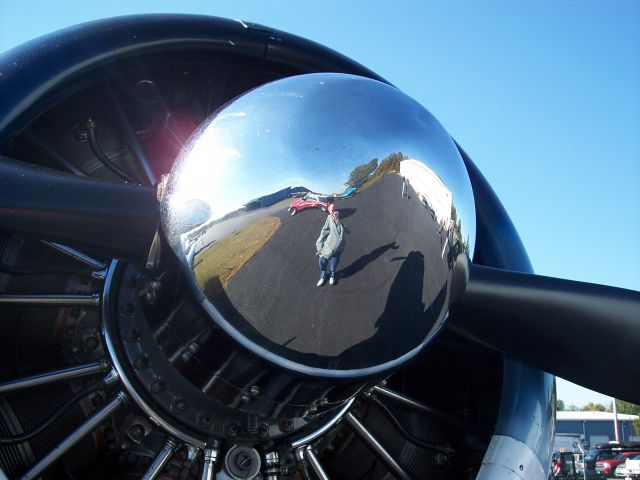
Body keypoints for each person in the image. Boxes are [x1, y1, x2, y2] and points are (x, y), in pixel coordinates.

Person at [315, 204, 344, 286]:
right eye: (331, 209)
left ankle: (332, 276)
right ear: (328, 210)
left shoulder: (339, 219)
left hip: (336, 250)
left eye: (334, 208)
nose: (333, 210)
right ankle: (323, 276)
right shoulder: (329, 218)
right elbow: (324, 231)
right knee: (322, 264)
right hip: (326, 248)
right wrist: (319, 247)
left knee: (333, 266)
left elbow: (344, 231)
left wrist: (338, 219)